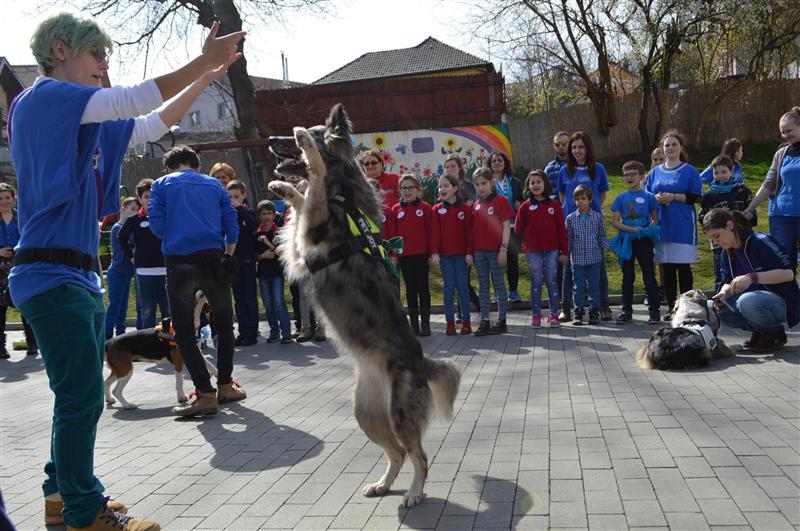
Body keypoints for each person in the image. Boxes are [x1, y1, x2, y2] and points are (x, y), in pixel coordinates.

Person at [8, 11, 243, 530]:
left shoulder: (86, 123)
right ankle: (82, 510)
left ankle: (62, 495)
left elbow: (149, 122)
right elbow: (133, 99)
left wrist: (206, 78)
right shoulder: (43, 97)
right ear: (62, 49)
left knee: (78, 397)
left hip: (73, 275)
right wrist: (201, 59)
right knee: (80, 398)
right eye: (98, 54)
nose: (105, 65)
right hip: (51, 274)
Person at [149, 145, 246, 417]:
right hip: (214, 258)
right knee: (225, 323)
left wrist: (175, 232)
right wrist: (227, 254)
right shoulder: (215, 186)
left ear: (168, 167)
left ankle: (204, 393)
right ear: (198, 166)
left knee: (183, 331)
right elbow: (232, 224)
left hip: (179, 261)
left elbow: (156, 225)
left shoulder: (161, 185)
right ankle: (226, 384)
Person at [705, 208, 798, 352]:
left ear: (730, 225)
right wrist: (723, 293)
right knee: (717, 309)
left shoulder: (760, 242)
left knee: (747, 301)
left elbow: (788, 274)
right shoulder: (726, 252)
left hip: (783, 302)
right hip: (754, 302)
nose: (716, 242)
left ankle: (775, 333)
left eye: (717, 236)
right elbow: (727, 281)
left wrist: (752, 277)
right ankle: (761, 331)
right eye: (712, 239)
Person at [646, 130, 702, 318]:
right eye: (667, 145)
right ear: (663, 149)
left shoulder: (689, 171)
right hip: (662, 226)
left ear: (681, 148)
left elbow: (696, 196)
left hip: (683, 226)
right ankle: (672, 308)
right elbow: (645, 197)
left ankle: (687, 309)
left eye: (674, 144)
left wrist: (673, 197)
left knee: (683, 269)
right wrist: (656, 198)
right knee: (667, 269)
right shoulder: (654, 173)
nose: (670, 148)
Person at [556, 131, 612, 321]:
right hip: (571, 226)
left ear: (588, 148)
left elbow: (602, 193)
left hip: (592, 226)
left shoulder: (599, 169)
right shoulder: (565, 171)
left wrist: (593, 209)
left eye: (581, 147)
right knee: (569, 269)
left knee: (598, 269)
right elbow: (562, 197)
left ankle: (603, 306)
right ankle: (567, 307)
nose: (577, 151)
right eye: (574, 147)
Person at [744, 107, 800, 273]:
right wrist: (750, 208)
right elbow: (768, 184)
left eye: (789, 131)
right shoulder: (781, 154)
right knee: (782, 261)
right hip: (781, 215)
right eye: (782, 132)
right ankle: (788, 297)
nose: (785, 135)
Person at [610, 161, 661, 325]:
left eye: (633, 174)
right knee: (628, 277)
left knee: (649, 275)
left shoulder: (650, 197)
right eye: (626, 174)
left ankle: (654, 311)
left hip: (644, 241)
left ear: (642, 176)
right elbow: (616, 222)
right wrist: (632, 231)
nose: (629, 177)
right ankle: (626, 311)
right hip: (627, 241)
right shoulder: (620, 198)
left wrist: (646, 230)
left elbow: (655, 219)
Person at [514, 170, 568, 328]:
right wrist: (528, 235)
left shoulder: (554, 205)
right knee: (536, 282)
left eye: (539, 182)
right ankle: (536, 315)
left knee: (551, 281)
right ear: (528, 186)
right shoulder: (525, 207)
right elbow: (518, 228)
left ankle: (554, 315)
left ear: (545, 184)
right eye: (532, 183)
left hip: (552, 250)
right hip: (532, 251)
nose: (536, 185)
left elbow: (561, 231)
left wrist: (564, 252)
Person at [698, 155, 755, 291]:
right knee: (721, 271)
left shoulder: (743, 191)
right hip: (719, 242)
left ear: (731, 171)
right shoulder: (709, 196)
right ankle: (720, 302)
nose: (720, 175)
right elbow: (702, 217)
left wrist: (744, 215)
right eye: (716, 172)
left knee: (745, 266)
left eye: (724, 171)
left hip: (742, 239)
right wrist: (713, 219)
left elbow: (753, 217)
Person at [118, 179, 170, 328]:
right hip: (144, 272)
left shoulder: (165, 217)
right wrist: (131, 257)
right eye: (146, 196)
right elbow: (121, 237)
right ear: (140, 199)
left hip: (166, 269)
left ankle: (171, 344)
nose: (150, 200)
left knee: (168, 309)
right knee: (148, 310)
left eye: (153, 196)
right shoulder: (134, 220)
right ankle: (148, 345)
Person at [386, 174, 433, 336]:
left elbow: (431, 233)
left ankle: (426, 324)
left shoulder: (426, 208)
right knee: (411, 290)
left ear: (418, 190)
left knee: (423, 288)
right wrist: (394, 254)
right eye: (403, 188)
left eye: (410, 187)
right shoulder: (395, 210)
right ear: (399, 191)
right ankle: (414, 325)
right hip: (404, 256)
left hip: (422, 255)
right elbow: (393, 235)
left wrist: (432, 253)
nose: (407, 191)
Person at [471, 168, 513, 336]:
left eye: (484, 183)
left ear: (492, 183)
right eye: (477, 184)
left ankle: (501, 320)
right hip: (480, 252)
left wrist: (503, 248)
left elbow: (506, 226)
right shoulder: (476, 204)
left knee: (499, 285)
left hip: (496, 251)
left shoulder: (501, 201)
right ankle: (485, 321)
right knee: (483, 287)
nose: (481, 187)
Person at [430, 173, 473, 335]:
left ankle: (466, 322)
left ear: (455, 188)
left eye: (446, 185)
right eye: (440, 186)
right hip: (445, 257)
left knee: (463, 287)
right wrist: (434, 253)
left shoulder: (465, 210)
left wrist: (469, 253)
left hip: (462, 256)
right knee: (448, 288)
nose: (442, 189)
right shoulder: (436, 210)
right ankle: (450, 323)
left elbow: (470, 234)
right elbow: (434, 234)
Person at [0, 183, 37, 358]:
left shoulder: (21, 217)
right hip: (0, 267)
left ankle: (32, 342)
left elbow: (31, 236)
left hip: (20, 263)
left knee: (25, 303)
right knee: (0, 308)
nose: (4, 201)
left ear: (14, 199)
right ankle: (0, 346)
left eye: (8, 197)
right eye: (1, 198)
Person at [566, 185, 609, 325]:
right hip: (577, 259)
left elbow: (601, 235)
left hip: (594, 258)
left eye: (583, 198)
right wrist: (565, 253)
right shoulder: (571, 218)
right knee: (578, 287)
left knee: (593, 286)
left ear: (589, 199)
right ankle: (578, 311)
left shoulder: (597, 217)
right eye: (577, 199)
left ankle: (594, 311)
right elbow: (569, 238)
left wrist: (608, 248)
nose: (580, 202)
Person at [443, 154, 480, 313]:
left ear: (459, 168)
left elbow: (476, 207)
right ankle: (468, 306)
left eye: (453, 166)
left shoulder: (469, 186)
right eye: (447, 166)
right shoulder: (442, 185)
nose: (450, 169)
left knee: (463, 277)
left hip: (467, 236)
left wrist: (466, 206)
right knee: (456, 279)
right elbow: (439, 206)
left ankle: (466, 307)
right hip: (449, 237)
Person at [226, 179, 259, 346]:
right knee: (238, 299)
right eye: (230, 196)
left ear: (243, 196)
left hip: (247, 261)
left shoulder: (249, 212)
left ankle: (252, 332)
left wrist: (240, 208)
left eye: (236, 196)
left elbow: (254, 226)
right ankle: (243, 331)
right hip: (234, 262)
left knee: (250, 299)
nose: (233, 199)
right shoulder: (226, 214)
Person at [254, 200, 292, 344]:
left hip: (277, 273)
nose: (267, 217)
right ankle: (274, 332)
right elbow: (254, 255)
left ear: (273, 214)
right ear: (259, 215)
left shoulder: (279, 231)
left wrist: (269, 245)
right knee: (268, 304)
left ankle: (286, 333)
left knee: (279, 302)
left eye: (269, 213)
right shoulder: (256, 233)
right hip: (263, 273)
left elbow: (281, 251)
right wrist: (263, 256)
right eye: (263, 214)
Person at [104, 197, 139, 338]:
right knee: (115, 306)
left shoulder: (131, 229)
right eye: (132, 209)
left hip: (126, 273)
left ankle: (121, 336)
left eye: (136, 210)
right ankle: (107, 337)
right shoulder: (117, 228)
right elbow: (127, 250)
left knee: (123, 309)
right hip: (117, 272)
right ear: (122, 209)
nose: (134, 213)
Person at [544, 131, 570, 199]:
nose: (561, 146)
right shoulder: (548, 168)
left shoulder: (579, 165)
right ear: (554, 146)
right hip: (556, 208)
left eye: (564, 143)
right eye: (557, 144)